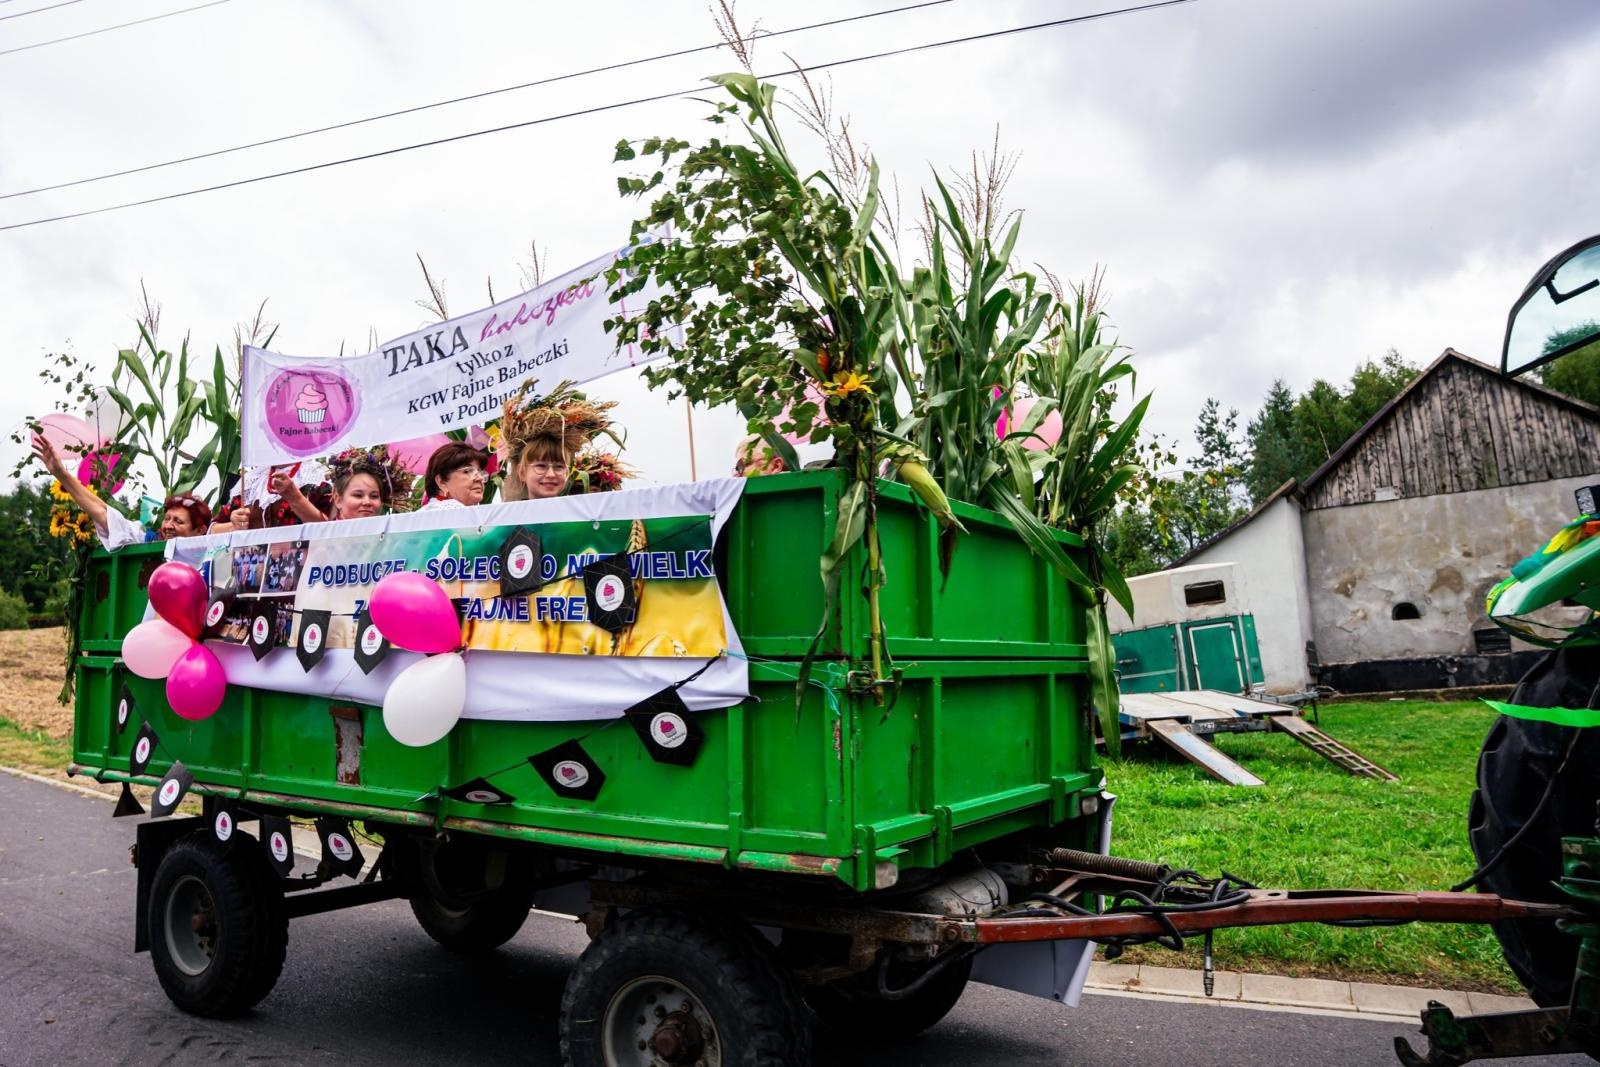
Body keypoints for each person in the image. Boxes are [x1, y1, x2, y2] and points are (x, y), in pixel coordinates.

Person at [31, 432, 210, 549]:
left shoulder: (211, 558)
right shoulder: (146, 540)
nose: (168, 526)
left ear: (200, 531)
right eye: (167, 519)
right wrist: (61, 474)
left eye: (178, 522)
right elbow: (104, 513)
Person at [500, 379, 622, 500]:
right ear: (522, 472)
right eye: (541, 466)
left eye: (559, 467)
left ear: (567, 473)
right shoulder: (508, 513)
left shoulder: (579, 512)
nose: (551, 474)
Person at [268, 448, 411, 523]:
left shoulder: (388, 539)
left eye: (374, 496)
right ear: (338, 499)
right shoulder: (321, 541)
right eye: (358, 495)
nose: (367, 502)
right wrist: (293, 497)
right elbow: (323, 531)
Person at [419, 442, 488, 511]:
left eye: (480, 472)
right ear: (442, 482)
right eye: (467, 471)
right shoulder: (440, 512)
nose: (480, 478)